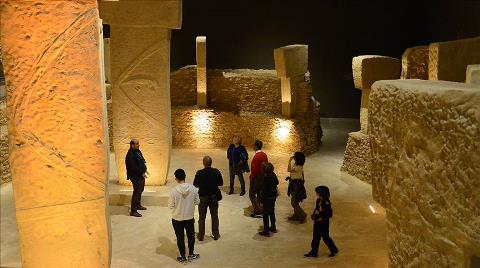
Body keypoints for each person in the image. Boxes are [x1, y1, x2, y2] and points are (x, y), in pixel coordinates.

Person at [168, 169, 200, 264]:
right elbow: (197, 202)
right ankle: (191, 254)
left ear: (176, 178)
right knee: (191, 237)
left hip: (177, 218)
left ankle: (182, 257)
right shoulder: (193, 188)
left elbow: (170, 206)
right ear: (185, 176)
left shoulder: (173, 191)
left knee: (180, 237)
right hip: (189, 217)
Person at [193, 156, 224, 241]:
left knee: (202, 216)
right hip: (214, 197)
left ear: (203, 163)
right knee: (214, 216)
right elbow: (221, 183)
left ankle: (201, 235)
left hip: (202, 197)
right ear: (211, 163)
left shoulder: (199, 173)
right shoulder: (216, 172)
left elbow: (195, 184)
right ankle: (216, 234)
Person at [304, 186, 339, 258]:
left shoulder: (326, 202)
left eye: (317, 192)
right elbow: (316, 209)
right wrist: (314, 215)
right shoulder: (318, 200)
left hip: (324, 223)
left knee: (325, 238)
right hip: (317, 222)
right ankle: (314, 252)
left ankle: (334, 250)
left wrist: (321, 218)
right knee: (315, 237)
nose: (316, 193)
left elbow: (329, 213)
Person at [125, 139, 148, 217]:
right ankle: (133, 211)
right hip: (135, 176)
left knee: (141, 190)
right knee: (136, 192)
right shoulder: (130, 155)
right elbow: (133, 167)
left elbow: (141, 160)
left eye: (138, 143)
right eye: (137, 144)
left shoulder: (137, 151)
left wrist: (145, 169)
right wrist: (141, 173)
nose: (139, 145)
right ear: (132, 145)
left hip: (140, 174)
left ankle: (138, 205)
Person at [258, 162, 279, 236]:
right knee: (272, 211)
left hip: (267, 198)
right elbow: (277, 182)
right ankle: (273, 227)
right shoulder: (273, 174)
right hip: (273, 196)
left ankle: (266, 231)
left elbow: (264, 192)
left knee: (265, 214)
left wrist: (261, 202)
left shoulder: (265, 178)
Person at [249, 140, 268, 217]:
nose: (253, 147)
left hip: (257, 178)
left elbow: (255, 169)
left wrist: (251, 178)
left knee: (252, 194)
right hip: (263, 177)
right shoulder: (264, 154)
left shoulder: (256, 156)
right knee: (260, 193)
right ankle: (261, 206)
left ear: (256, 146)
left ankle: (257, 210)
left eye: (254, 145)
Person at [287, 152, 307, 223]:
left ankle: (302, 215)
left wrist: (289, 161)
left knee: (293, 202)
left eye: (295, 156)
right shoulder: (297, 164)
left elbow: (288, 170)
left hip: (296, 185)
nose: (293, 157)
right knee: (295, 200)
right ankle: (296, 215)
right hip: (293, 183)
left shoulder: (298, 166)